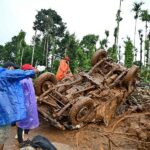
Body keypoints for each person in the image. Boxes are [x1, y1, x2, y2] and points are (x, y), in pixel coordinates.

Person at [0, 61, 38, 150]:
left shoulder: (6, 77)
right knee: (3, 135)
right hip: (4, 112)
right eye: (13, 69)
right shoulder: (5, 74)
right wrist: (34, 71)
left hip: (6, 109)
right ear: (9, 68)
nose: (14, 71)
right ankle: (20, 140)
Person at [17, 64, 39, 146]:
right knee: (21, 123)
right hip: (24, 105)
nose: (33, 72)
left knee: (29, 120)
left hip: (30, 104)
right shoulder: (22, 81)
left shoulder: (29, 79)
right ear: (26, 71)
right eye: (31, 70)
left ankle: (25, 137)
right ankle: (20, 141)